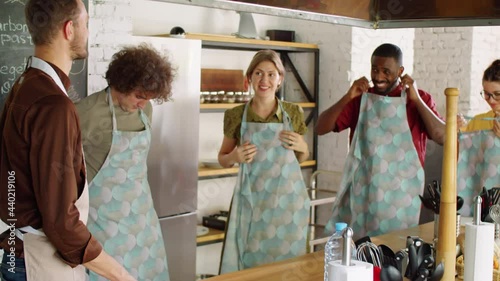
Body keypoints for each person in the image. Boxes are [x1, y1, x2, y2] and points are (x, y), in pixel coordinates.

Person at [0, 0, 135, 280]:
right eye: (85, 23)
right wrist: (122, 275)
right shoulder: (53, 105)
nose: (88, 31)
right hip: (39, 263)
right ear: (69, 29)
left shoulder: (24, 85)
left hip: (19, 255)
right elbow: (61, 223)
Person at [316, 43, 446, 238]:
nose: (378, 77)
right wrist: (348, 96)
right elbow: (320, 127)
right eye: (375, 69)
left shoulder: (417, 99)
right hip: (364, 192)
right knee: (361, 253)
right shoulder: (360, 98)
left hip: (401, 196)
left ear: (400, 71)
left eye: (387, 71)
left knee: (396, 250)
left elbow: (442, 136)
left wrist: (417, 99)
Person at [75, 43, 174, 281]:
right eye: (139, 96)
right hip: (103, 224)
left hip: (143, 221)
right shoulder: (84, 113)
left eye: (149, 98)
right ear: (121, 82)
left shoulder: (145, 111)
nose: (143, 103)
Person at [217, 49, 310, 273]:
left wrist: (303, 147)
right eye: (258, 73)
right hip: (250, 203)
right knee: (248, 265)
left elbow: (300, 158)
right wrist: (234, 156)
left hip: (287, 204)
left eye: (271, 74)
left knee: (288, 267)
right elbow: (223, 159)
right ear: (249, 78)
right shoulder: (236, 115)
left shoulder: (293, 113)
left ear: (280, 79)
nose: (264, 80)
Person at [457, 59, 500, 216]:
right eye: (486, 94)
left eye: (497, 94)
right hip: (482, 205)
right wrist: (458, 131)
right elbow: (463, 161)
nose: (491, 100)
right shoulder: (478, 121)